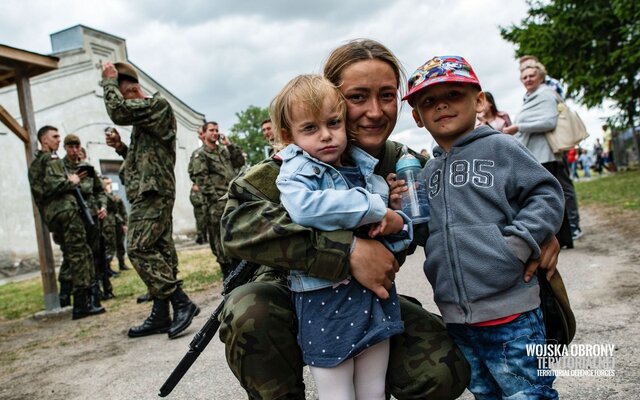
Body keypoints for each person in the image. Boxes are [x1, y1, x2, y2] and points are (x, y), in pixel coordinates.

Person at [219, 39, 560, 400]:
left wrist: (537, 230)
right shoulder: (295, 162)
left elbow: (469, 206)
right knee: (248, 311)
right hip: (295, 297)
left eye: (386, 95)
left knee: (445, 368)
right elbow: (237, 227)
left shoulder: (402, 163)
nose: (375, 111)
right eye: (357, 97)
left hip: (368, 301)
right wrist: (346, 251)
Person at [403, 55, 563, 399]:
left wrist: (518, 244)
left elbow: (546, 193)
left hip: (513, 313)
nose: (441, 104)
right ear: (417, 116)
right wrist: (400, 206)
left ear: (478, 100)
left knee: (527, 393)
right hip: (458, 318)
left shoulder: (501, 147)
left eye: (454, 94)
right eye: (428, 100)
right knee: (484, 393)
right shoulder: (427, 172)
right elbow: (425, 234)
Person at [272, 74, 412, 399]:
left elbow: (396, 236)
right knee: (338, 394)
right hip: (325, 304)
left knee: (373, 391)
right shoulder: (296, 174)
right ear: (287, 136)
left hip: (372, 297)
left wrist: (396, 221)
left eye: (334, 123)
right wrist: (376, 207)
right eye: (310, 128)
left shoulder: (364, 169)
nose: (326, 136)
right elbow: (304, 209)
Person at [101, 61, 199, 339]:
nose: (124, 104)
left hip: (153, 193)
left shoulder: (158, 106)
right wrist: (121, 148)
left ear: (132, 89)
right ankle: (160, 313)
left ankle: (181, 303)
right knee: (161, 252)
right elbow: (144, 160)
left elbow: (118, 111)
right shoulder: (145, 122)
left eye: (123, 96)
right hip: (149, 190)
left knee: (138, 247)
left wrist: (108, 82)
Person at [27, 125, 105, 319]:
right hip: (66, 211)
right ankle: (82, 304)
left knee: (76, 253)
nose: (58, 140)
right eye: (55, 137)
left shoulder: (37, 163)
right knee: (80, 253)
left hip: (55, 214)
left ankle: (84, 300)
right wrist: (73, 180)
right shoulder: (51, 159)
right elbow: (56, 184)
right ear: (44, 140)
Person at [504, 58, 583, 245]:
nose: (528, 79)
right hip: (537, 154)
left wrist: (519, 127)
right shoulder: (531, 97)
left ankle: (561, 238)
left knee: (551, 196)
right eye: (524, 77)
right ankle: (559, 237)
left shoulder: (546, 94)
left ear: (541, 77)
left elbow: (549, 122)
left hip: (545, 154)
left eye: (532, 75)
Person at [189, 121, 245, 278]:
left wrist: (230, 145)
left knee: (237, 237)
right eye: (212, 130)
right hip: (217, 204)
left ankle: (241, 272)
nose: (215, 133)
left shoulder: (224, 151)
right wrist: (216, 199)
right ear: (204, 133)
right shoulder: (201, 154)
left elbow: (239, 162)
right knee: (220, 242)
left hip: (233, 199)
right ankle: (228, 275)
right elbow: (202, 179)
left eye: (217, 130)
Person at [62, 134, 114, 302]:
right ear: (65, 148)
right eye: (71, 147)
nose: (74, 150)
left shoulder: (88, 169)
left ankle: (95, 290)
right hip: (72, 217)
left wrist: (102, 206)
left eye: (77, 146)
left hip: (92, 216)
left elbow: (99, 191)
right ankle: (66, 293)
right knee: (73, 255)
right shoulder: (61, 167)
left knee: (95, 254)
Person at [188, 127, 209, 245]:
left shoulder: (221, 151)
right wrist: (197, 183)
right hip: (203, 192)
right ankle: (201, 236)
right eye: (200, 134)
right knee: (201, 218)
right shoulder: (197, 154)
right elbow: (191, 171)